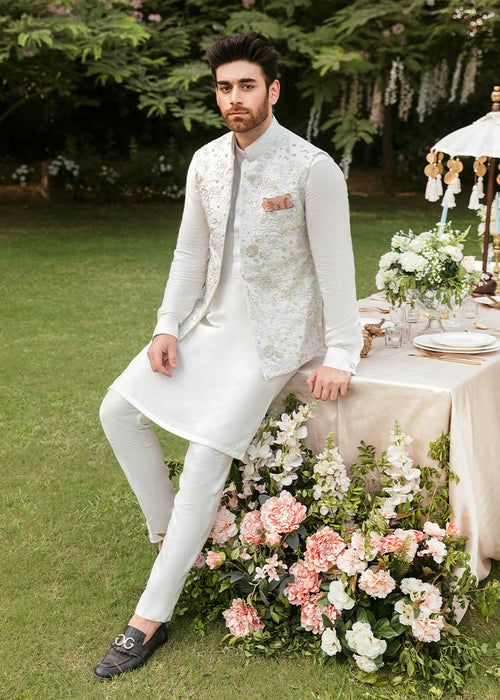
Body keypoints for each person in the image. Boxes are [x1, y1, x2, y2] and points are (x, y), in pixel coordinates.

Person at [93, 31, 363, 680]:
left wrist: (342, 353)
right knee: (116, 410)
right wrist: (166, 325)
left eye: (246, 86)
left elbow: (337, 268)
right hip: (207, 327)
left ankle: (148, 620)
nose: (234, 99)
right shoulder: (205, 161)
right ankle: (172, 540)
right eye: (223, 87)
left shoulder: (312, 168)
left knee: (208, 457)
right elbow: (190, 253)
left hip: (273, 344)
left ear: (273, 90)